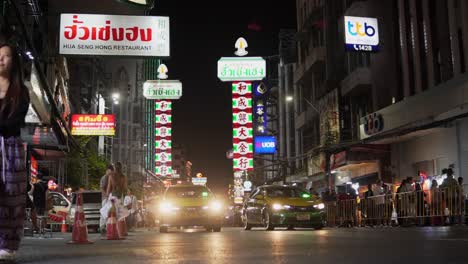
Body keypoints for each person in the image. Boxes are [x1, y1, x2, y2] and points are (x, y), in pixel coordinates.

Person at [0, 42, 30, 261]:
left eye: (6, 56)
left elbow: (15, 122)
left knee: (12, 195)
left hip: (11, 148)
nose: (1, 59)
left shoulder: (22, 92)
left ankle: (8, 245)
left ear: (14, 61)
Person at [107, 162, 128, 237]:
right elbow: (125, 188)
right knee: (120, 215)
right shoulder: (123, 177)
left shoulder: (111, 176)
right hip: (120, 197)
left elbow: (109, 187)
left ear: (115, 168)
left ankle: (112, 231)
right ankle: (120, 232)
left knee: (111, 214)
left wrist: (106, 196)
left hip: (113, 197)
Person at [99, 164, 114, 235]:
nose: (110, 173)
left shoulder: (111, 177)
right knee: (104, 212)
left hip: (110, 198)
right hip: (105, 198)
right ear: (107, 170)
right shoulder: (104, 178)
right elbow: (102, 188)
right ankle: (102, 227)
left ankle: (107, 227)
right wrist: (106, 196)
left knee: (110, 213)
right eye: (110, 171)